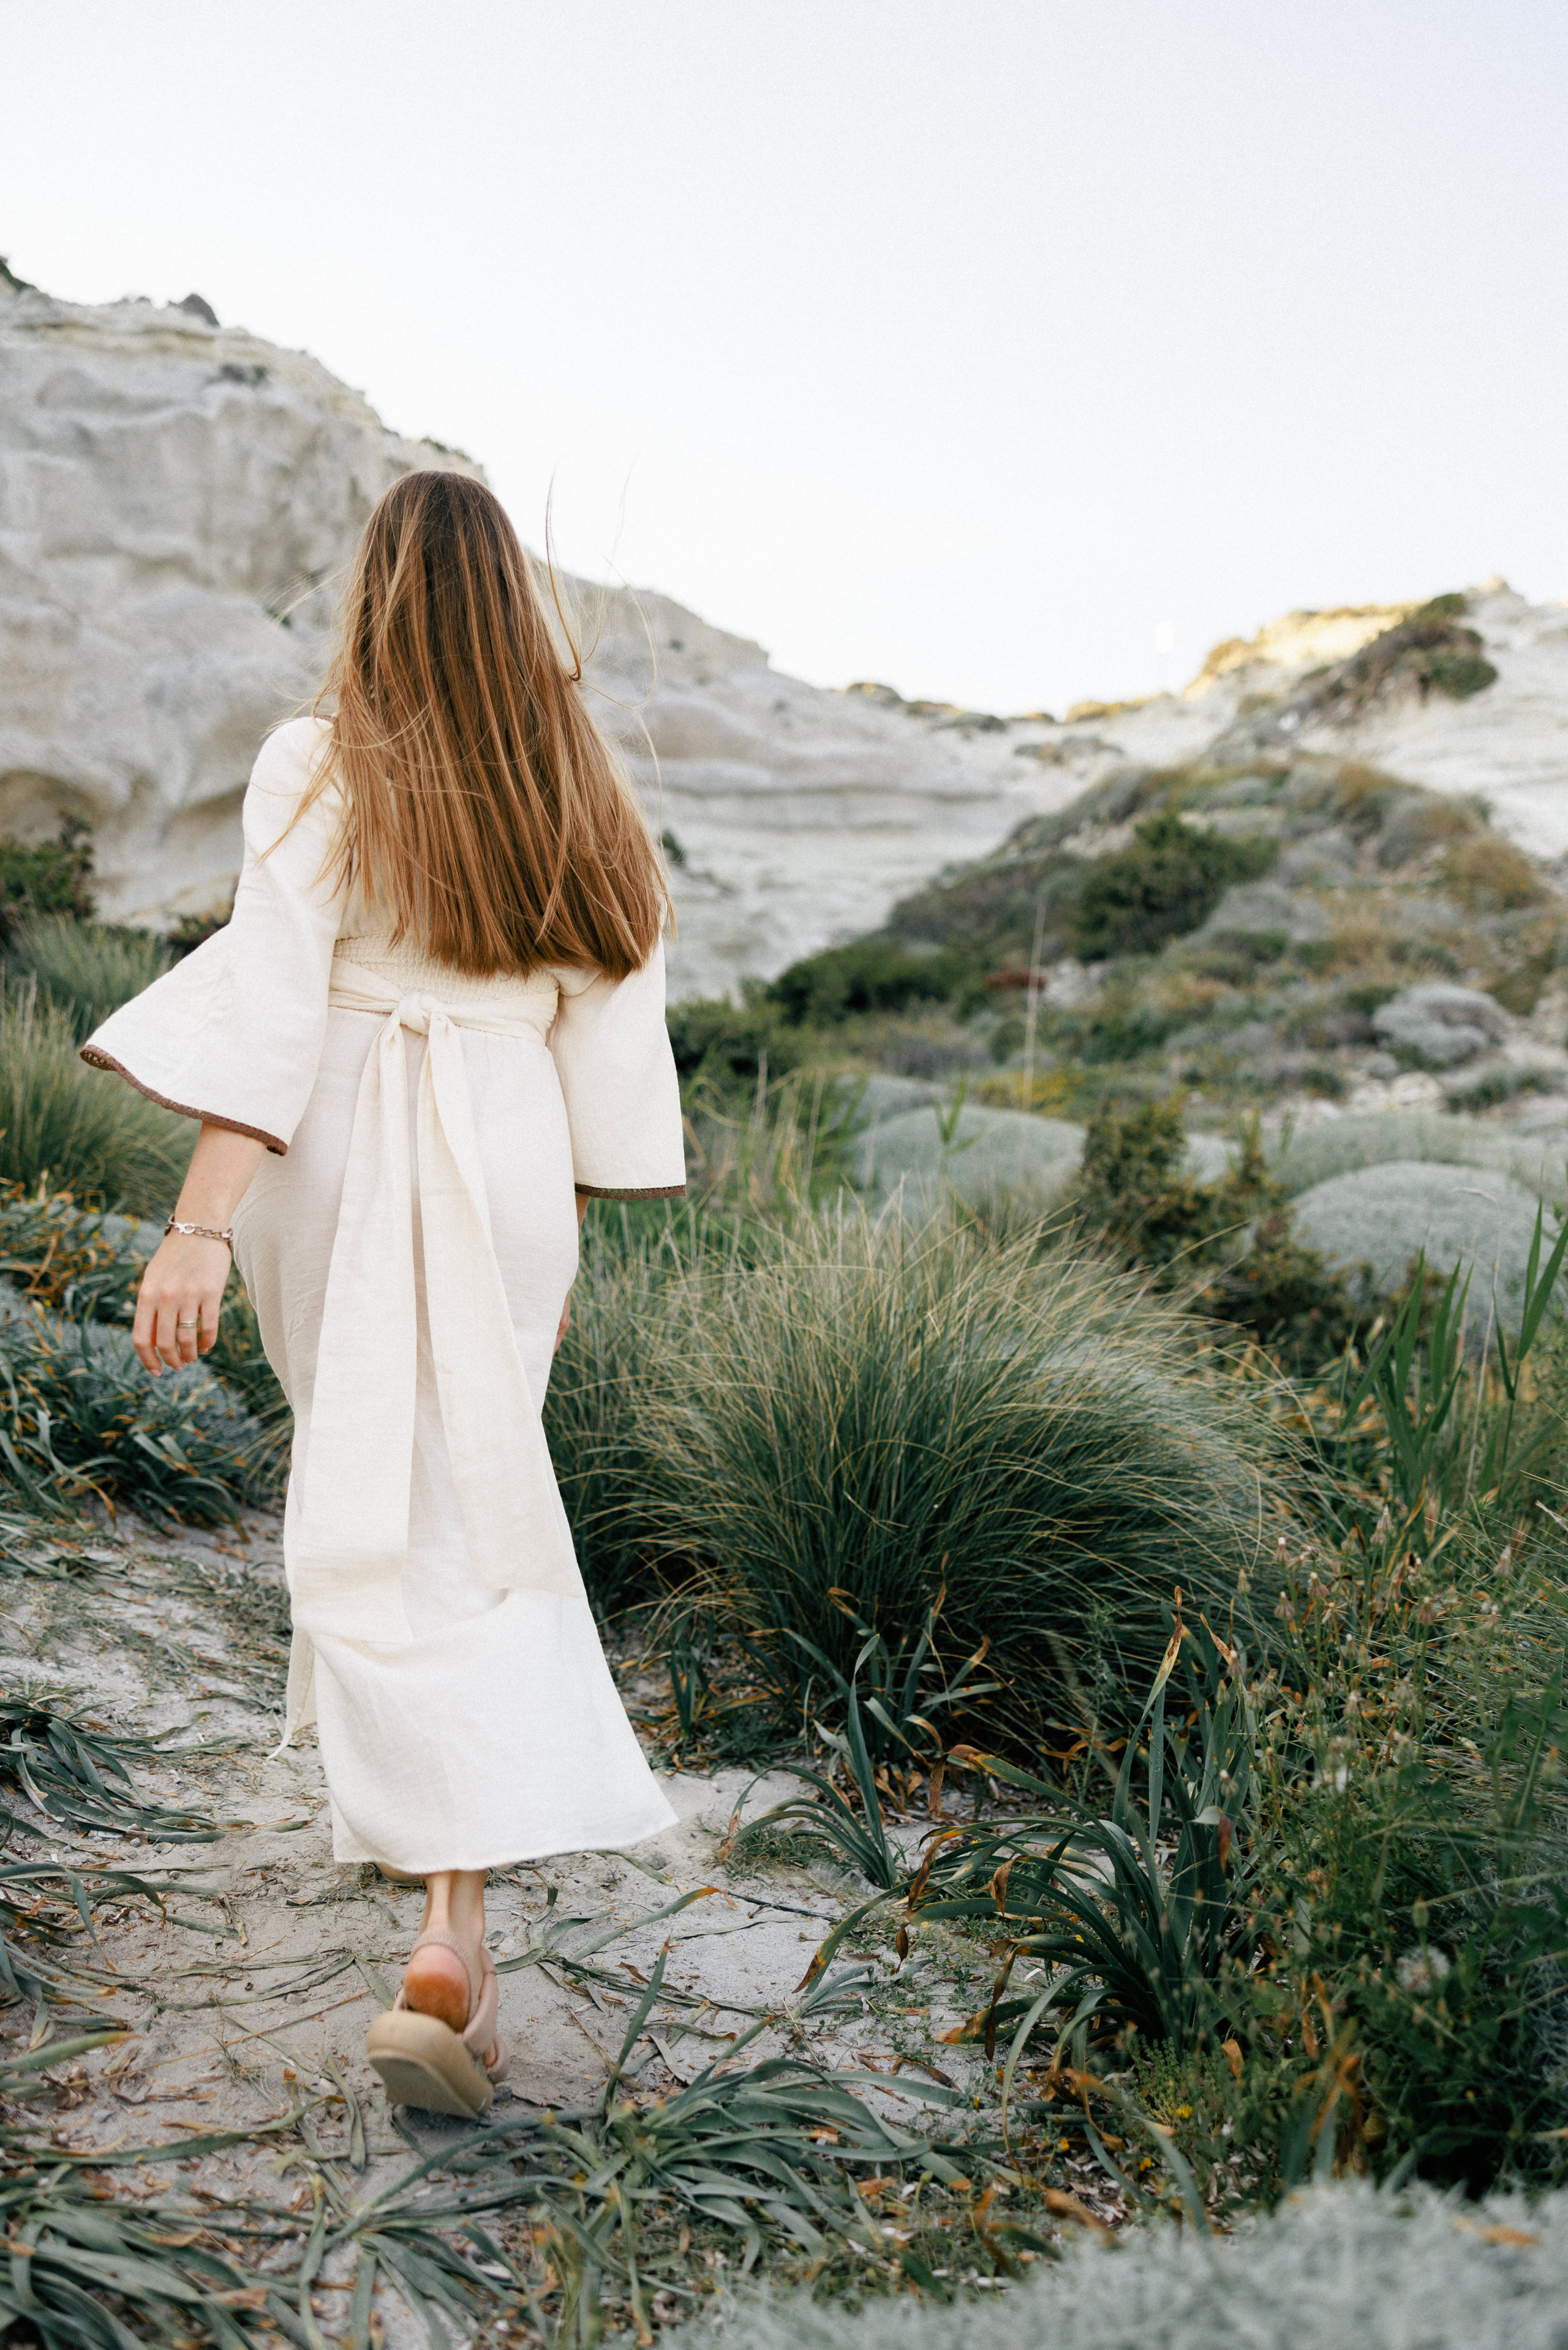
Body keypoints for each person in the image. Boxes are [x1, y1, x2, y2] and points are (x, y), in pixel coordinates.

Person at [81, 472, 685, 2117]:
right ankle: (446, 1904)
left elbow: (276, 1006)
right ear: (517, 607)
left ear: (379, 599)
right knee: (463, 1498)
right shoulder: (583, 784)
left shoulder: (322, 758)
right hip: (508, 1151)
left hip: (341, 1136)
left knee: (380, 1492)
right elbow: (605, 1038)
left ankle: (446, 1935)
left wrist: (200, 1225)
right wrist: (549, 1239)